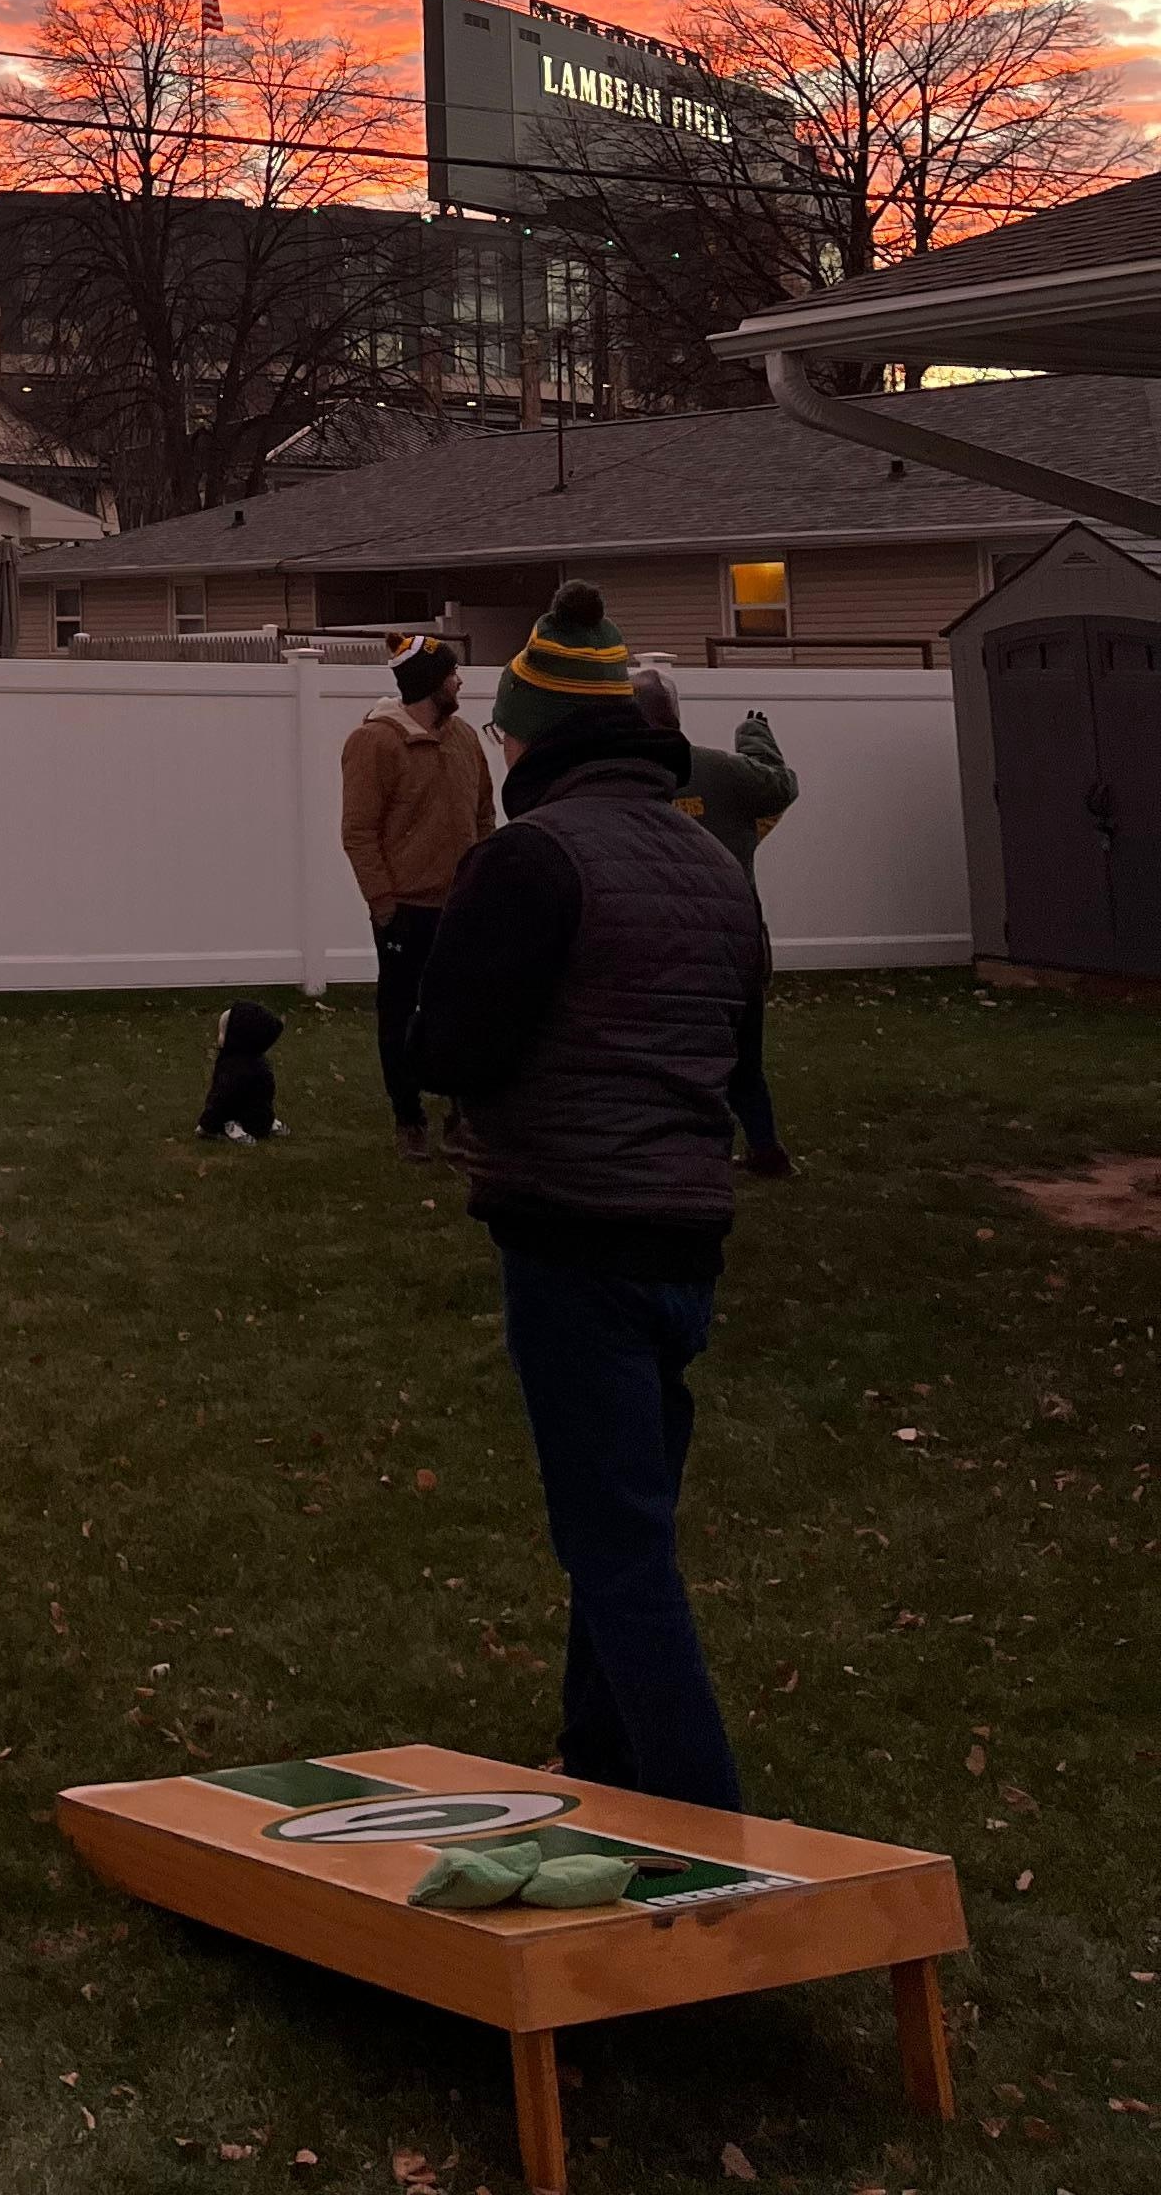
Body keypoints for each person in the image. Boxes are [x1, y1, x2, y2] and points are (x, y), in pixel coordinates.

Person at [409, 580, 765, 1811]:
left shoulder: (532, 858)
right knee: (626, 1518)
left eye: (504, 733)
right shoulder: (714, 863)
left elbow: (452, 1048)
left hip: (573, 1232)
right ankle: (598, 1761)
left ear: (534, 738)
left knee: (616, 1550)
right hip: (687, 1235)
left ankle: (706, 1830)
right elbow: (741, 1042)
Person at [632, 660, 801, 1178]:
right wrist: (755, 738)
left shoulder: (626, 783)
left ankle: (679, 1154)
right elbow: (780, 786)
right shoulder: (721, 772)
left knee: (668, 1058)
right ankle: (766, 1150)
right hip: (735, 942)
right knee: (744, 1057)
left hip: (661, 947)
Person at [339, 631, 496, 1162]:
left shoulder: (465, 738)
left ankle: (460, 1117)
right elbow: (358, 833)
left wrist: (481, 880)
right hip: (405, 911)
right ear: (430, 682)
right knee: (401, 1016)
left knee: (464, 1016)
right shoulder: (374, 743)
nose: (460, 681)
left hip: (462, 907)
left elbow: (483, 815)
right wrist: (384, 905)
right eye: (451, 673)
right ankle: (409, 1119)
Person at [196, 998, 286, 1143]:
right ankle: (235, 1123)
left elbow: (221, 1095)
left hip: (248, 1107)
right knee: (242, 1103)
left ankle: (258, 1121)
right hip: (239, 1108)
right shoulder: (242, 1065)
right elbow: (222, 1096)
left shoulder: (239, 1066)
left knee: (253, 1103)